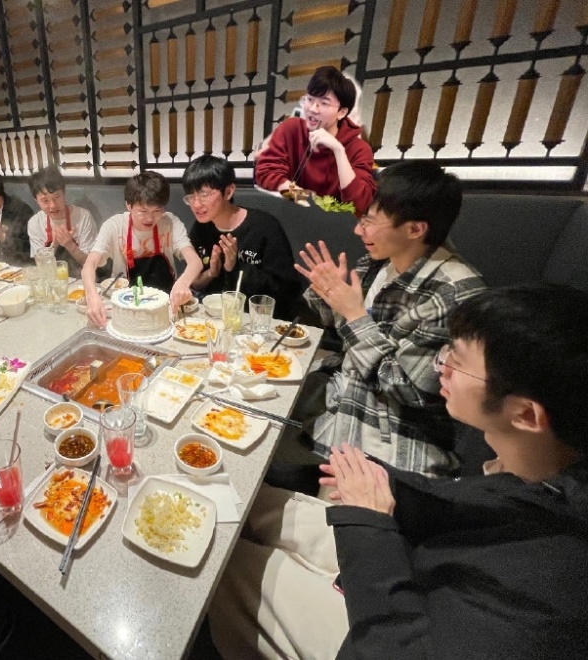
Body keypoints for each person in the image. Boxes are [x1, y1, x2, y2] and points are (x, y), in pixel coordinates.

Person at [209, 283, 588, 659]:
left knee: (222, 560)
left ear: (525, 415)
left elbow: (400, 647)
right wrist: (386, 486)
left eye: (457, 361)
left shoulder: (552, 575)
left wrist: (369, 522)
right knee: (246, 499)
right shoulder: (539, 477)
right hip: (408, 557)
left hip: (385, 626)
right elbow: (467, 510)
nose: (442, 366)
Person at [292, 160, 485, 475]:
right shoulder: (379, 263)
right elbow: (342, 329)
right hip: (345, 383)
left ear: (415, 229)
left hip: (396, 426)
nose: (358, 230)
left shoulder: (452, 294)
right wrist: (330, 294)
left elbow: (409, 390)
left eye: (368, 221)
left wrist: (354, 314)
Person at [183, 155, 302, 319]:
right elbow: (196, 283)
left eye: (204, 194)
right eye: (191, 196)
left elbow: (287, 290)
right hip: (211, 319)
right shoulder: (200, 228)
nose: (196, 204)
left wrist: (237, 267)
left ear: (228, 192)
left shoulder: (264, 227)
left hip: (258, 320)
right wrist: (210, 274)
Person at [82, 171, 202, 328]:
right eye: (143, 211)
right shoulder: (114, 226)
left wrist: (183, 283)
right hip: (126, 307)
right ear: (128, 205)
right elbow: (89, 265)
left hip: (165, 306)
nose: (150, 218)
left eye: (157, 211)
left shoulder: (170, 223)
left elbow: (195, 261)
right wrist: (92, 296)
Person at [255, 66, 376, 216]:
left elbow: (361, 203)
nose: (313, 109)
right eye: (310, 99)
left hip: (335, 223)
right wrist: (302, 197)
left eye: (324, 103)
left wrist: (338, 150)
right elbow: (266, 172)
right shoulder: (290, 129)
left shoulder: (359, 149)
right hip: (291, 214)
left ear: (342, 112)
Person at [26, 165, 98, 267]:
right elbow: (41, 266)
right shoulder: (35, 223)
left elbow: (92, 263)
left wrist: (70, 245)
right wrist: (54, 244)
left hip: (82, 274)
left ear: (64, 193)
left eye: (57, 197)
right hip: (51, 274)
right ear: (36, 201)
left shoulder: (83, 216)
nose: (53, 205)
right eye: (45, 200)